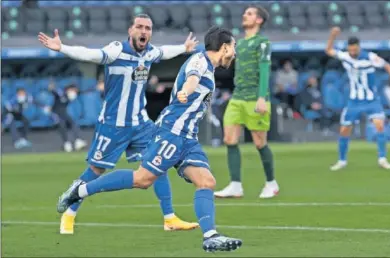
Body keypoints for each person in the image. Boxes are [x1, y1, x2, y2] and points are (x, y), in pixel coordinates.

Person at [55, 26, 242, 253]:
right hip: (171, 132)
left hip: (188, 138)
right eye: (233, 47)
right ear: (224, 47)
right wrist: (185, 90)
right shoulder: (199, 62)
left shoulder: (209, 67)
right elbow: (192, 79)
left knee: (207, 182)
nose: (234, 52)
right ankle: (81, 190)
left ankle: (210, 236)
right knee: (142, 180)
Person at [38, 14, 199, 234]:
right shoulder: (116, 50)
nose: (144, 32)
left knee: (158, 162)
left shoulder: (150, 52)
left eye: (148, 28)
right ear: (130, 31)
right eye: (139, 27)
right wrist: (62, 47)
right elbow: (91, 54)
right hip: (114, 125)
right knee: (97, 169)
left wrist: (184, 47)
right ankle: (70, 212)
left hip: (141, 122)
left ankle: (169, 218)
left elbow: (165, 51)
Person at [214, 5, 279, 199]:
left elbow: (265, 70)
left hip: (255, 99)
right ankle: (235, 185)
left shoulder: (263, 43)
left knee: (260, 143)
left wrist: (261, 97)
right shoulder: (239, 44)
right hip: (238, 97)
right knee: (229, 140)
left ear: (259, 20)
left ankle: (271, 183)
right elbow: (227, 65)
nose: (244, 15)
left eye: (249, 14)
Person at [325, 27, 390, 171]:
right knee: (344, 130)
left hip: (371, 100)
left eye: (355, 50)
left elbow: (388, 66)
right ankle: (342, 160)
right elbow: (328, 50)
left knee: (379, 125)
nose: (352, 52)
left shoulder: (371, 57)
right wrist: (332, 36)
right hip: (354, 101)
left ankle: (382, 159)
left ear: (359, 47)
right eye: (351, 50)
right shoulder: (345, 56)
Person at [49, 82, 87, 152]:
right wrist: (52, 88)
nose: (75, 92)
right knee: (62, 125)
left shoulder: (70, 96)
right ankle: (66, 143)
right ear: (69, 89)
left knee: (73, 123)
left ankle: (77, 141)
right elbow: (54, 91)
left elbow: (82, 92)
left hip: (64, 113)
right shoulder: (61, 93)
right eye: (74, 90)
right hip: (56, 114)